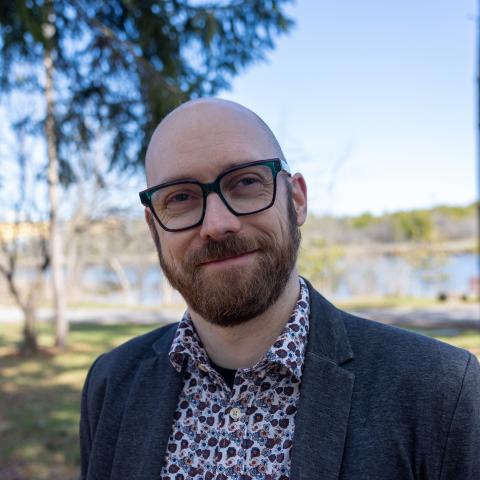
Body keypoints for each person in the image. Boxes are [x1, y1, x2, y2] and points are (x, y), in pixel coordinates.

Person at [79, 98, 480, 480]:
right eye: (180, 198)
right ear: (154, 228)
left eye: (246, 182)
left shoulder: (439, 391)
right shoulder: (111, 384)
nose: (217, 224)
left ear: (297, 199)